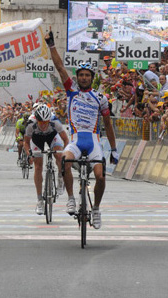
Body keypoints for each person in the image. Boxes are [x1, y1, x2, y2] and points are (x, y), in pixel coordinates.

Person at [46, 28, 118, 229]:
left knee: (100, 176)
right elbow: (60, 67)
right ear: (77, 77)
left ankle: (95, 208)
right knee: (64, 161)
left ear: (92, 77)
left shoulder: (101, 98)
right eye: (81, 75)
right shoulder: (71, 92)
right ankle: (70, 197)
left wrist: (113, 149)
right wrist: (51, 45)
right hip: (76, 140)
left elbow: (108, 125)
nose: (84, 78)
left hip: (94, 141)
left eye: (87, 75)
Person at [23, 105, 68, 215]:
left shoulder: (55, 121)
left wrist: (65, 154)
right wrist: (29, 155)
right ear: (37, 120)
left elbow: (66, 140)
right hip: (36, 139)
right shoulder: (30, 123)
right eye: (41, 122)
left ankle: (60, 178)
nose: (43, 125)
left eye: (45, 122)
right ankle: (39, 200)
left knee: (59, 155)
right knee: (38, 167)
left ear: (49, 120)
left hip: (52, 136)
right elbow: (26, 142)